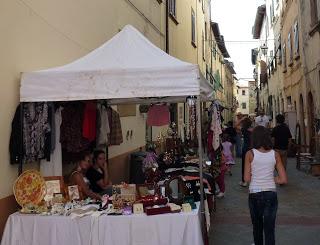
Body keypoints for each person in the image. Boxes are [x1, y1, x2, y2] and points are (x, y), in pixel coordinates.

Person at [244, 126, 287, 245]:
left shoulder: (250, 154)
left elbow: (246, 178)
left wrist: (258, 177)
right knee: (270, 229)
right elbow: (283, 179)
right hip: (271, 194)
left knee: (257, 227)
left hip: (255, 193)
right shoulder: (275, 154)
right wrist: (271, 178)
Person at [239, 117, 253, 187]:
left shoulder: (243, 129)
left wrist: (241, 120)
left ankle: (244, 180)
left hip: (245, 148)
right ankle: (250, 180)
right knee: (252, 165)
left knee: (244, 165)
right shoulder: (253, 130)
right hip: (252, 149)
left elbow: (235, 126)